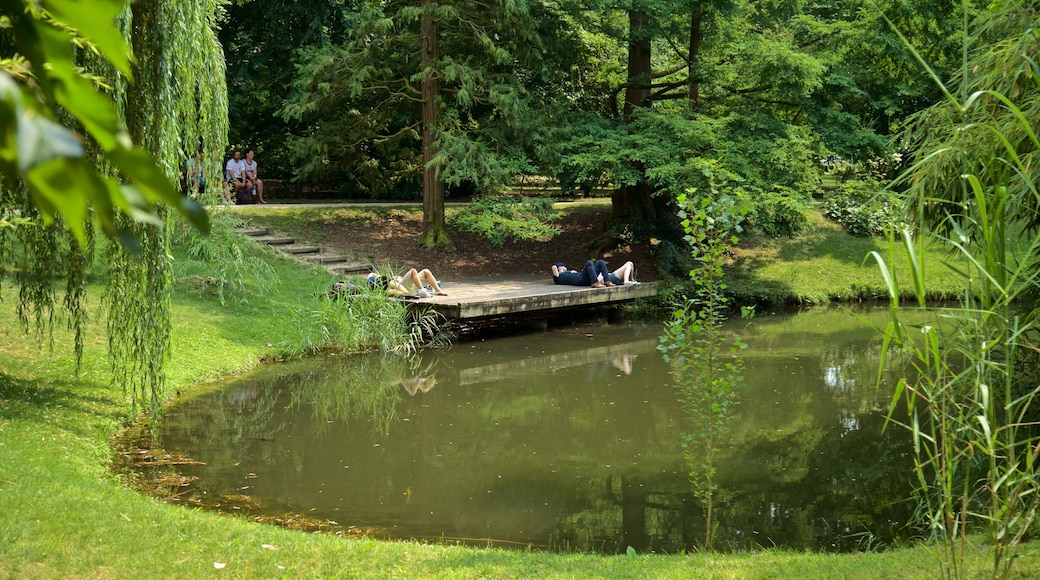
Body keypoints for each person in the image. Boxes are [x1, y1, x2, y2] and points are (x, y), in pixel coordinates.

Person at [367, 268, 447, 297]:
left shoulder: (375, 279)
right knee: (413, 271)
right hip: (402, 287)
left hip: (403, 285)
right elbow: (371, 274)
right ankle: (422, 290)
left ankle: (438, 290)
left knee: (426, 271)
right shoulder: (376, 279)